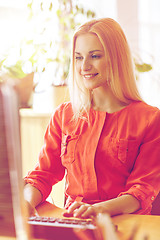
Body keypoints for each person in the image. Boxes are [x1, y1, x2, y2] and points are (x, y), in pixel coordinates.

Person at [24, 18, 160, 219]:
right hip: (74, 224)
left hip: (125, 226)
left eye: (94, 56)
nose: (84, 66)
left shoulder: (150, 119)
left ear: (116, 58)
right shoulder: (63, 115)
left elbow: (142, 191)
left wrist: (99, 210)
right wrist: (25, 203)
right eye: (78, 57)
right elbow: (42, 176)